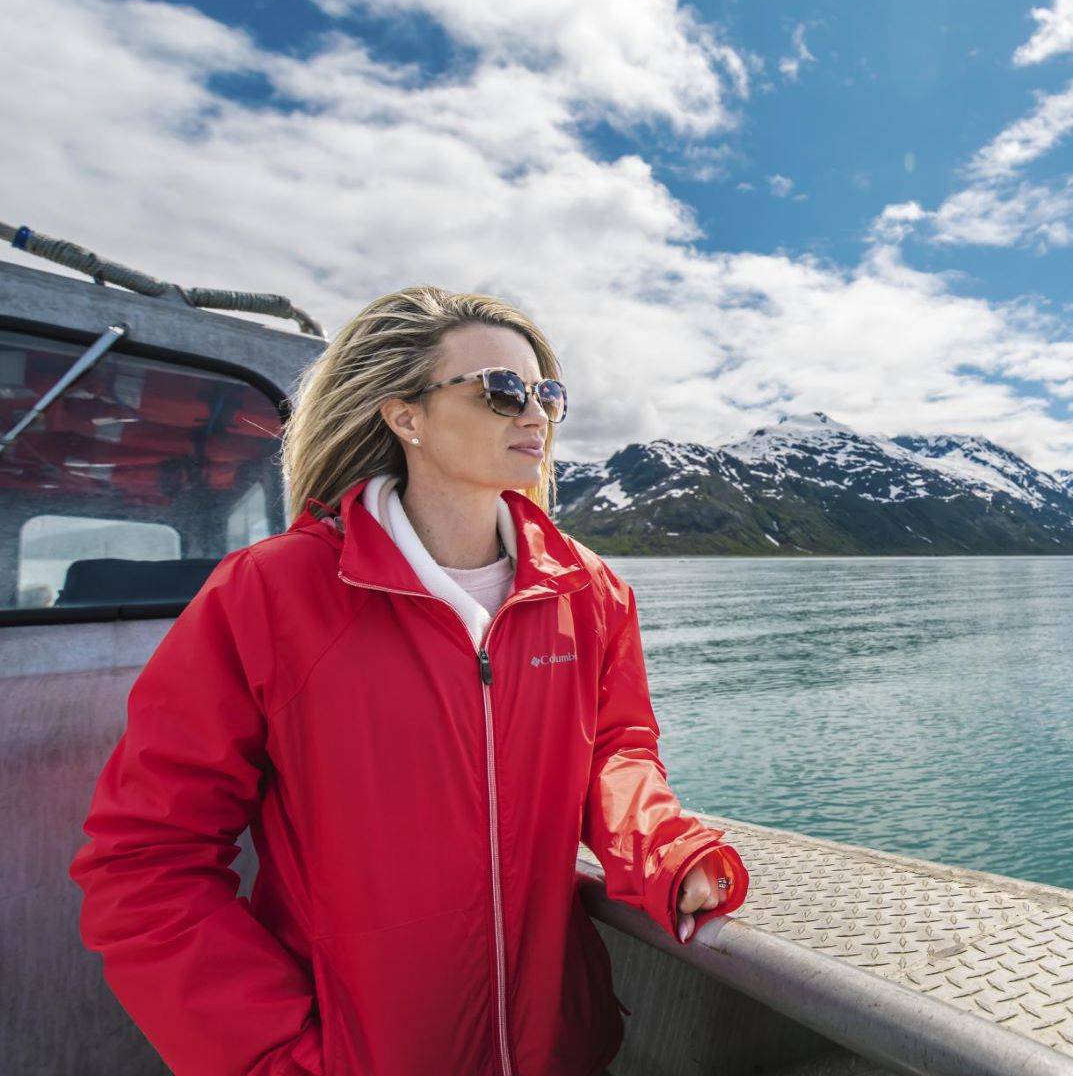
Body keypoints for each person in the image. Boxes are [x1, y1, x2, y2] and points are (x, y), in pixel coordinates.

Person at [68, 287, 749, 1075]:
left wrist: (667, 850)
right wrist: (274, 1055)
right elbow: (148, 859)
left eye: (547, 394)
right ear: (406, 417)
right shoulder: (271, 594)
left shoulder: (589, 592)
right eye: (502, 391)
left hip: (556, 1047)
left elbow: (615, 752)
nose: (535, 415)